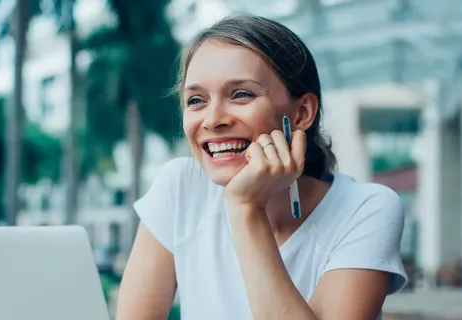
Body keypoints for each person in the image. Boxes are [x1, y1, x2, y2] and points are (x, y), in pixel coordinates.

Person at [117, 14, 407, 320]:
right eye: (196, 100)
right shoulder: (180, 186)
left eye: (241, 94)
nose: (213, 119)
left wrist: (246, 209)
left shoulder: (367, 209)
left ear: (302, 113)